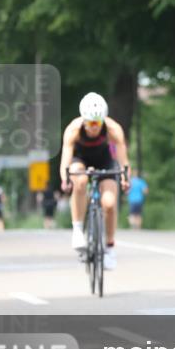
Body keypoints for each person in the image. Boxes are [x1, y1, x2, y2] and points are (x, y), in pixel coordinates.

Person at [59, 92, 131, 270]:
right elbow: (65, 160)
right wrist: (65, 179)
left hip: (104, 160)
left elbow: (123, 160)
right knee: (80, 181)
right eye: (89, 122)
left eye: (97, 123)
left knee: (109, 204)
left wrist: (125, 178)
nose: (93, 127)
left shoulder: (113, 129)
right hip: (80, 160)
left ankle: (109, 248)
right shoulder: (74, 129)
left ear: (103, 120)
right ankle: (77, 229)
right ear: (83, 120)